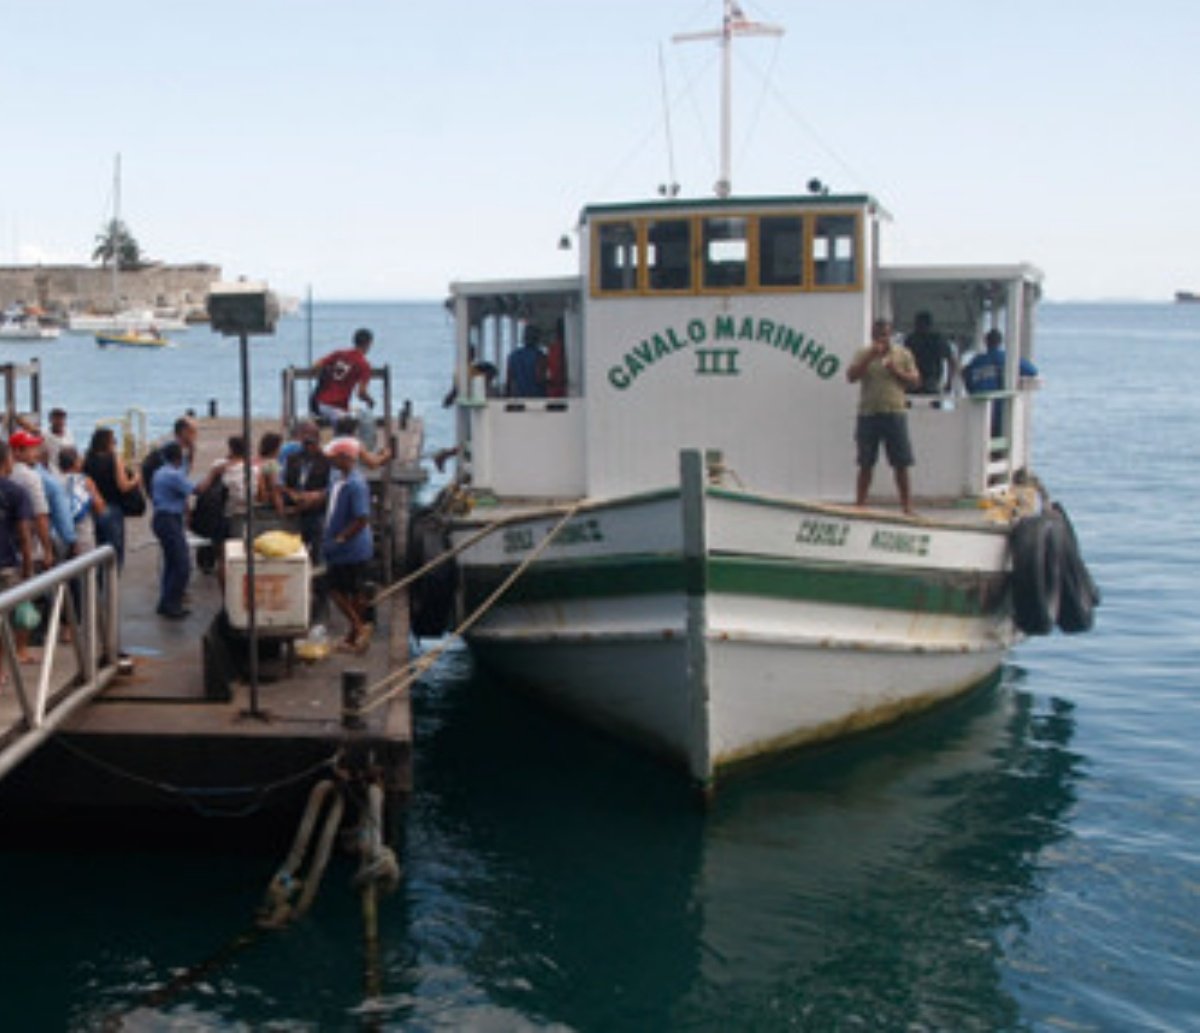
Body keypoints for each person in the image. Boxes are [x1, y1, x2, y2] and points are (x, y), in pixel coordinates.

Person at [846, 318, 921, 514]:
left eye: (885, 335)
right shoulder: (863, 353)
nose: (881, 339)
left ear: (891, 335)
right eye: (878, 335)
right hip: (868, 413)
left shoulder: (903, 354)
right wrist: (869, 357)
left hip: (894, 412)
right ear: (872, 335)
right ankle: (860, 504)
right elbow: (851, 377)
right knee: (865, 463)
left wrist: (895, 370)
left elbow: (915, 381)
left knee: (901, 463)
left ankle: (907, 506)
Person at [322, 437, 373, 653]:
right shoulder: (336, 479)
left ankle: (358, 628)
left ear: (345, 458)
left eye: (334, 457)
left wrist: (342, 537)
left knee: (336, 589)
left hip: (351, 548)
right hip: (338, 545)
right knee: (351, 590)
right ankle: (354, 634)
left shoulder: (356, 484)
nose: (331, 460)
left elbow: (362, 518)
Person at [964, 328, 1040, 436]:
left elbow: (966, 376)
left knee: (983, 436)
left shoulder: (977, 361)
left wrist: (972, 391)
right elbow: (1032, 371)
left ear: (986, 342)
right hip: (1000, 408)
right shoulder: (1007, 358)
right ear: (1000, 342)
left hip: (980, 406)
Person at [83, 426, 141, 569]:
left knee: (98, 549)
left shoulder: (87, 459)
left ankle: (98, 587)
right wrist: (136, 479)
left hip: (94, 507)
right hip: (112, 507)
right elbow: (123, 486)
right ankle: (111, 588)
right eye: (113, 441)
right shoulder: (114, 459)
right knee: (114, 552)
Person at [149, 442, 195, 619]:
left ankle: (166, 601)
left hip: (163, 518)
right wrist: (213, 474)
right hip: (169, 519)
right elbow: (195, 489)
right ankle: (172, 603)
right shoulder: (173, 476)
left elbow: (184, 470)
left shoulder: (160, 472)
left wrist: (191, 451)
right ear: (178, 457)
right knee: (182, 564)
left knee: (171, 563)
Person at [0, 439, 34, 673]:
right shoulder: (15, 492)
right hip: (7, 562)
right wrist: (28, 566)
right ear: (5, 461)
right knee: (6, 618)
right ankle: (1, 668)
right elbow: (24, 533)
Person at [281, 421, 332, 561]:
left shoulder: (327, 460)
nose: (309, 446)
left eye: (312, 442)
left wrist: (316, 496)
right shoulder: (292, 459)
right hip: (295, 506)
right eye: (306, 442)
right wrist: (293, 495)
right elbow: (282, 483)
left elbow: (331, 487)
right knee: (294, 548)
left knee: (318, 542)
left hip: (317, 510)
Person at [9, 430, 56, 570]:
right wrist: (48, 551)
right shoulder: (30, 477)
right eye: (31, 448)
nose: (36, 452)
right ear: (17, 452)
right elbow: (40, 516)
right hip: (31, 549)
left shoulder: (7, 474)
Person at [313, 328, 376, 420]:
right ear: (368, 344)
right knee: (360, 421)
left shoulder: (339, 354)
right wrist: (370, 401)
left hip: (320, 402)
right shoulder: (364, 365)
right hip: (337, 406)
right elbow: (361, 393)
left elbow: (316, 365)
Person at [59, 446, 106, 557]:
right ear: (76, 463)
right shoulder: (85, 481)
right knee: (88, 570)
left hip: (60, 536)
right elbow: (99, 507)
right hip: (83, 534)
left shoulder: (54, 481)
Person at [904, 311, 958, 395]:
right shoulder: (911, 339)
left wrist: (949, 381)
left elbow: (951, 361)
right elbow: (903, 360)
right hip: (914, 380)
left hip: (931, 380)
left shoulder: (937, 339)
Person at [506, 324, 548, 397]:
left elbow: (510, 380)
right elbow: (539, 378)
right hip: (537, 397)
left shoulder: (513, 356)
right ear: (537, 338)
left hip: (519, 398)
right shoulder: (539, 356)